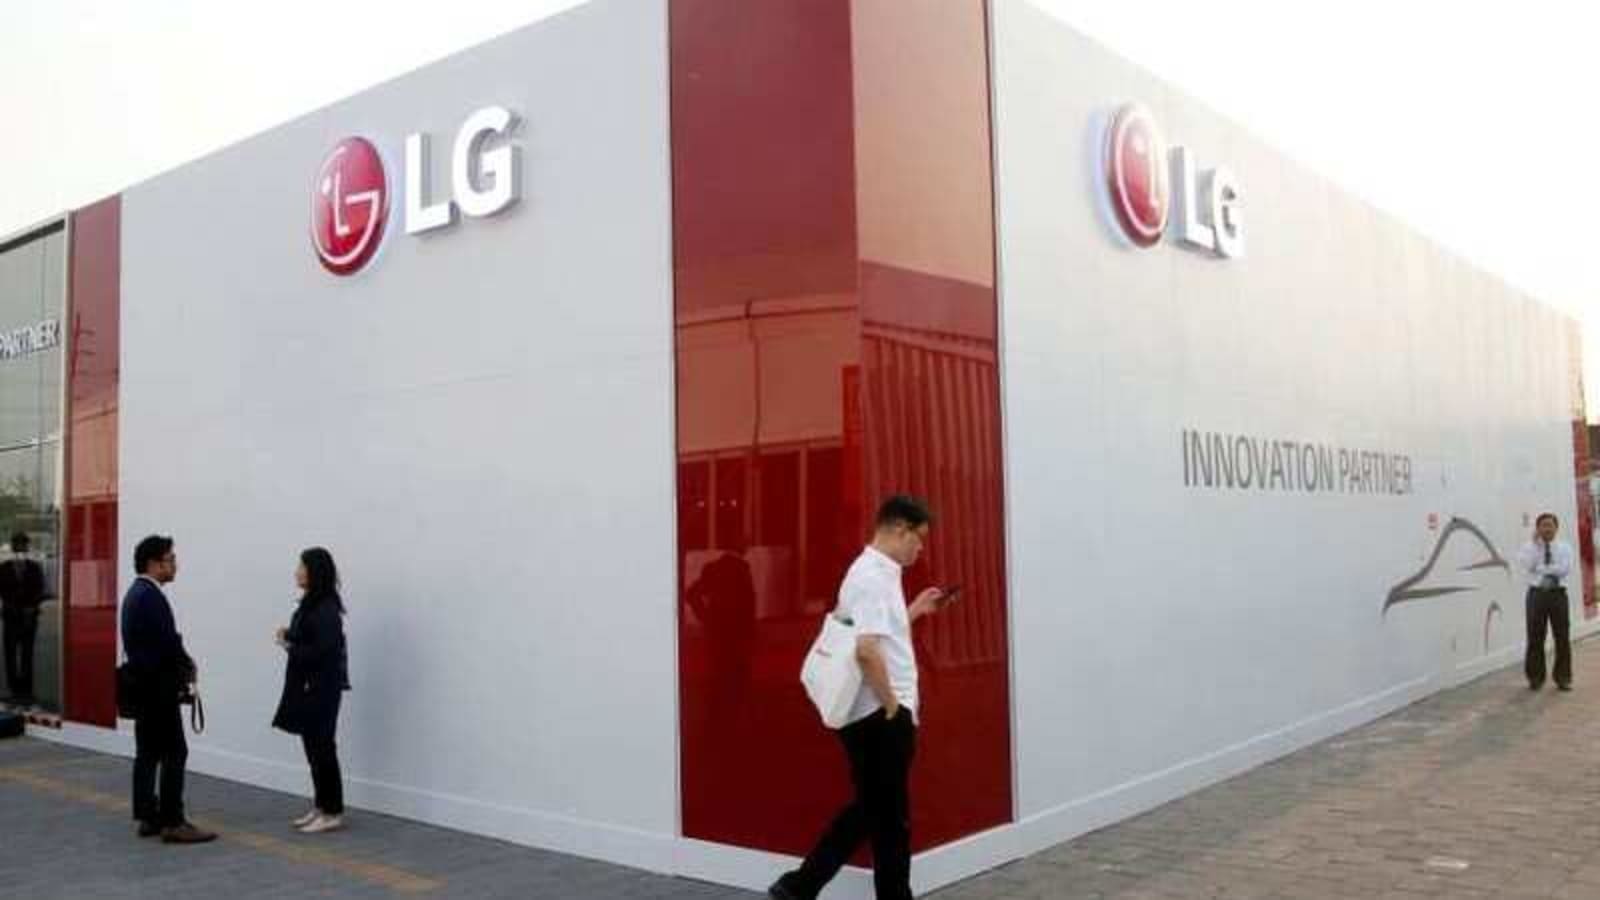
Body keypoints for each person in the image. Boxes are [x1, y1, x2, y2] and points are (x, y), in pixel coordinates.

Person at [770, 495, 957, 900]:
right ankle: (812, 888)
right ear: (898, 529)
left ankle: (799, 886)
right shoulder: (872, 576)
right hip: (879, 717)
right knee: (891, 821)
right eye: (918, 539)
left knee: (872, 811)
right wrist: (893, 706)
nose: (921, 548)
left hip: (874, 715)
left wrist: (917, 610)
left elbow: (878, 634)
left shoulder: (880, 574)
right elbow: (866, 651)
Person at [121, 535, 215, 843]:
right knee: (175, 751)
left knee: (147, 752)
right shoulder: (150, 597)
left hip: (143, 687)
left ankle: (148, 815)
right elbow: (167, 642)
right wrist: (187, 667)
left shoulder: (135, 594)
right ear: (153, 563)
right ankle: (173, 821)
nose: (175, 564)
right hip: (158, 689)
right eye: (170, 559)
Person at [272, 547, 351, 834]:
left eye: (301, 566)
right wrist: (289, 635)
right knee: (313, 747)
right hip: (308, 687)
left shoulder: (326, 607)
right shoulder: (311, 604)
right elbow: (309, 637)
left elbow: (324, 649)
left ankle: (333, 811)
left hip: (322, 688)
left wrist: (290, 645)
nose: (297, 571)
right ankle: (321, 805)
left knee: (323, 747)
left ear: (314, 571)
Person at [1520, 512, 1575, 692]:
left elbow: (1565, 569)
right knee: (1535, 637)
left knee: (1562, 636)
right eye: (1543, 525)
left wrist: (1543, 569)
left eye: (1550, 525)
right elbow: (1528, 565)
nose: (1547, 528)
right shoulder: (1529, 547)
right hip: (1536, 595)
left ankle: (1563, 678)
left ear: (1556, 527)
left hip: (1558, 595)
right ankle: (1535, 678)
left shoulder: (1565, 547)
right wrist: (1537, 548)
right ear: (1537, 528)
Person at [0, 532, 46, 705]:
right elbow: (2, 591)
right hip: (11, 616)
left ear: (27, 547)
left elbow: (40, 589)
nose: (20, 548)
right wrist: (10, 605)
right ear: (13, 547)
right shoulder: (3, 568)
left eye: (23, 545)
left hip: (29, 617)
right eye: (17, 545)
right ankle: (14, 690)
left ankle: (26, 691)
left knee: (27, 655)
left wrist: (32, 607)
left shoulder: (35, 567)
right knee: (10, 655)